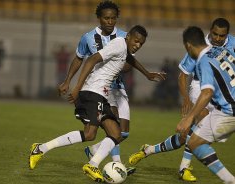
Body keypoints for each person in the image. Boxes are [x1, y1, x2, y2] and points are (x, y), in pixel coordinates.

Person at [57, 0, 166, 175]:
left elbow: (129, 60)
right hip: (99, 87)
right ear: (99, 18)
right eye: (106, 18)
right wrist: (68, 80)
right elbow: (79, 58)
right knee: (112, 126)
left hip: (118, 87)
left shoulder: (126, 36)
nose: (110, 21)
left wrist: (145, 73)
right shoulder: (88, 37)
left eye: (113, 18)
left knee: (123, 133)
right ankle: (116, 164)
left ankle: (93, 151)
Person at [29, 25, 149, 182]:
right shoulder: (119, 44)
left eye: (141, 43)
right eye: (136, 41)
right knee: (90, 134)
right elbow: (92, 59)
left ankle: (92, 163)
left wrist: (147, 74)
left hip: (101, 95)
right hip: (93, 91)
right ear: (128, 37)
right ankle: (41, 148)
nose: (138, 45)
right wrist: (77, 87)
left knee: (116, 134)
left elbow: (130, 59)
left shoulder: (124, 49)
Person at [128, 17, 235, 181]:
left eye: (222, 36)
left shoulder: (228, 46)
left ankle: (149, 150)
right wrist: (186, 100)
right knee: (200, 124)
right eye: (215, 34)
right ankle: (184, 168)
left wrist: (188, 118)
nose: (218, 39)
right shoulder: (202, 48)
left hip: (222, 91)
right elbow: (184, 75)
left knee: (186, 138)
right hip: (201, 85)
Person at [177, 26, 235, 184]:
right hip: (226, 108)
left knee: (195, 143)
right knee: (194, 141)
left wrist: (189, 118)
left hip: (229, 112)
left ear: (188, 45)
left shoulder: (204, 61)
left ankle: (230, 180)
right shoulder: (223, 52)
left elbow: (207, 92)